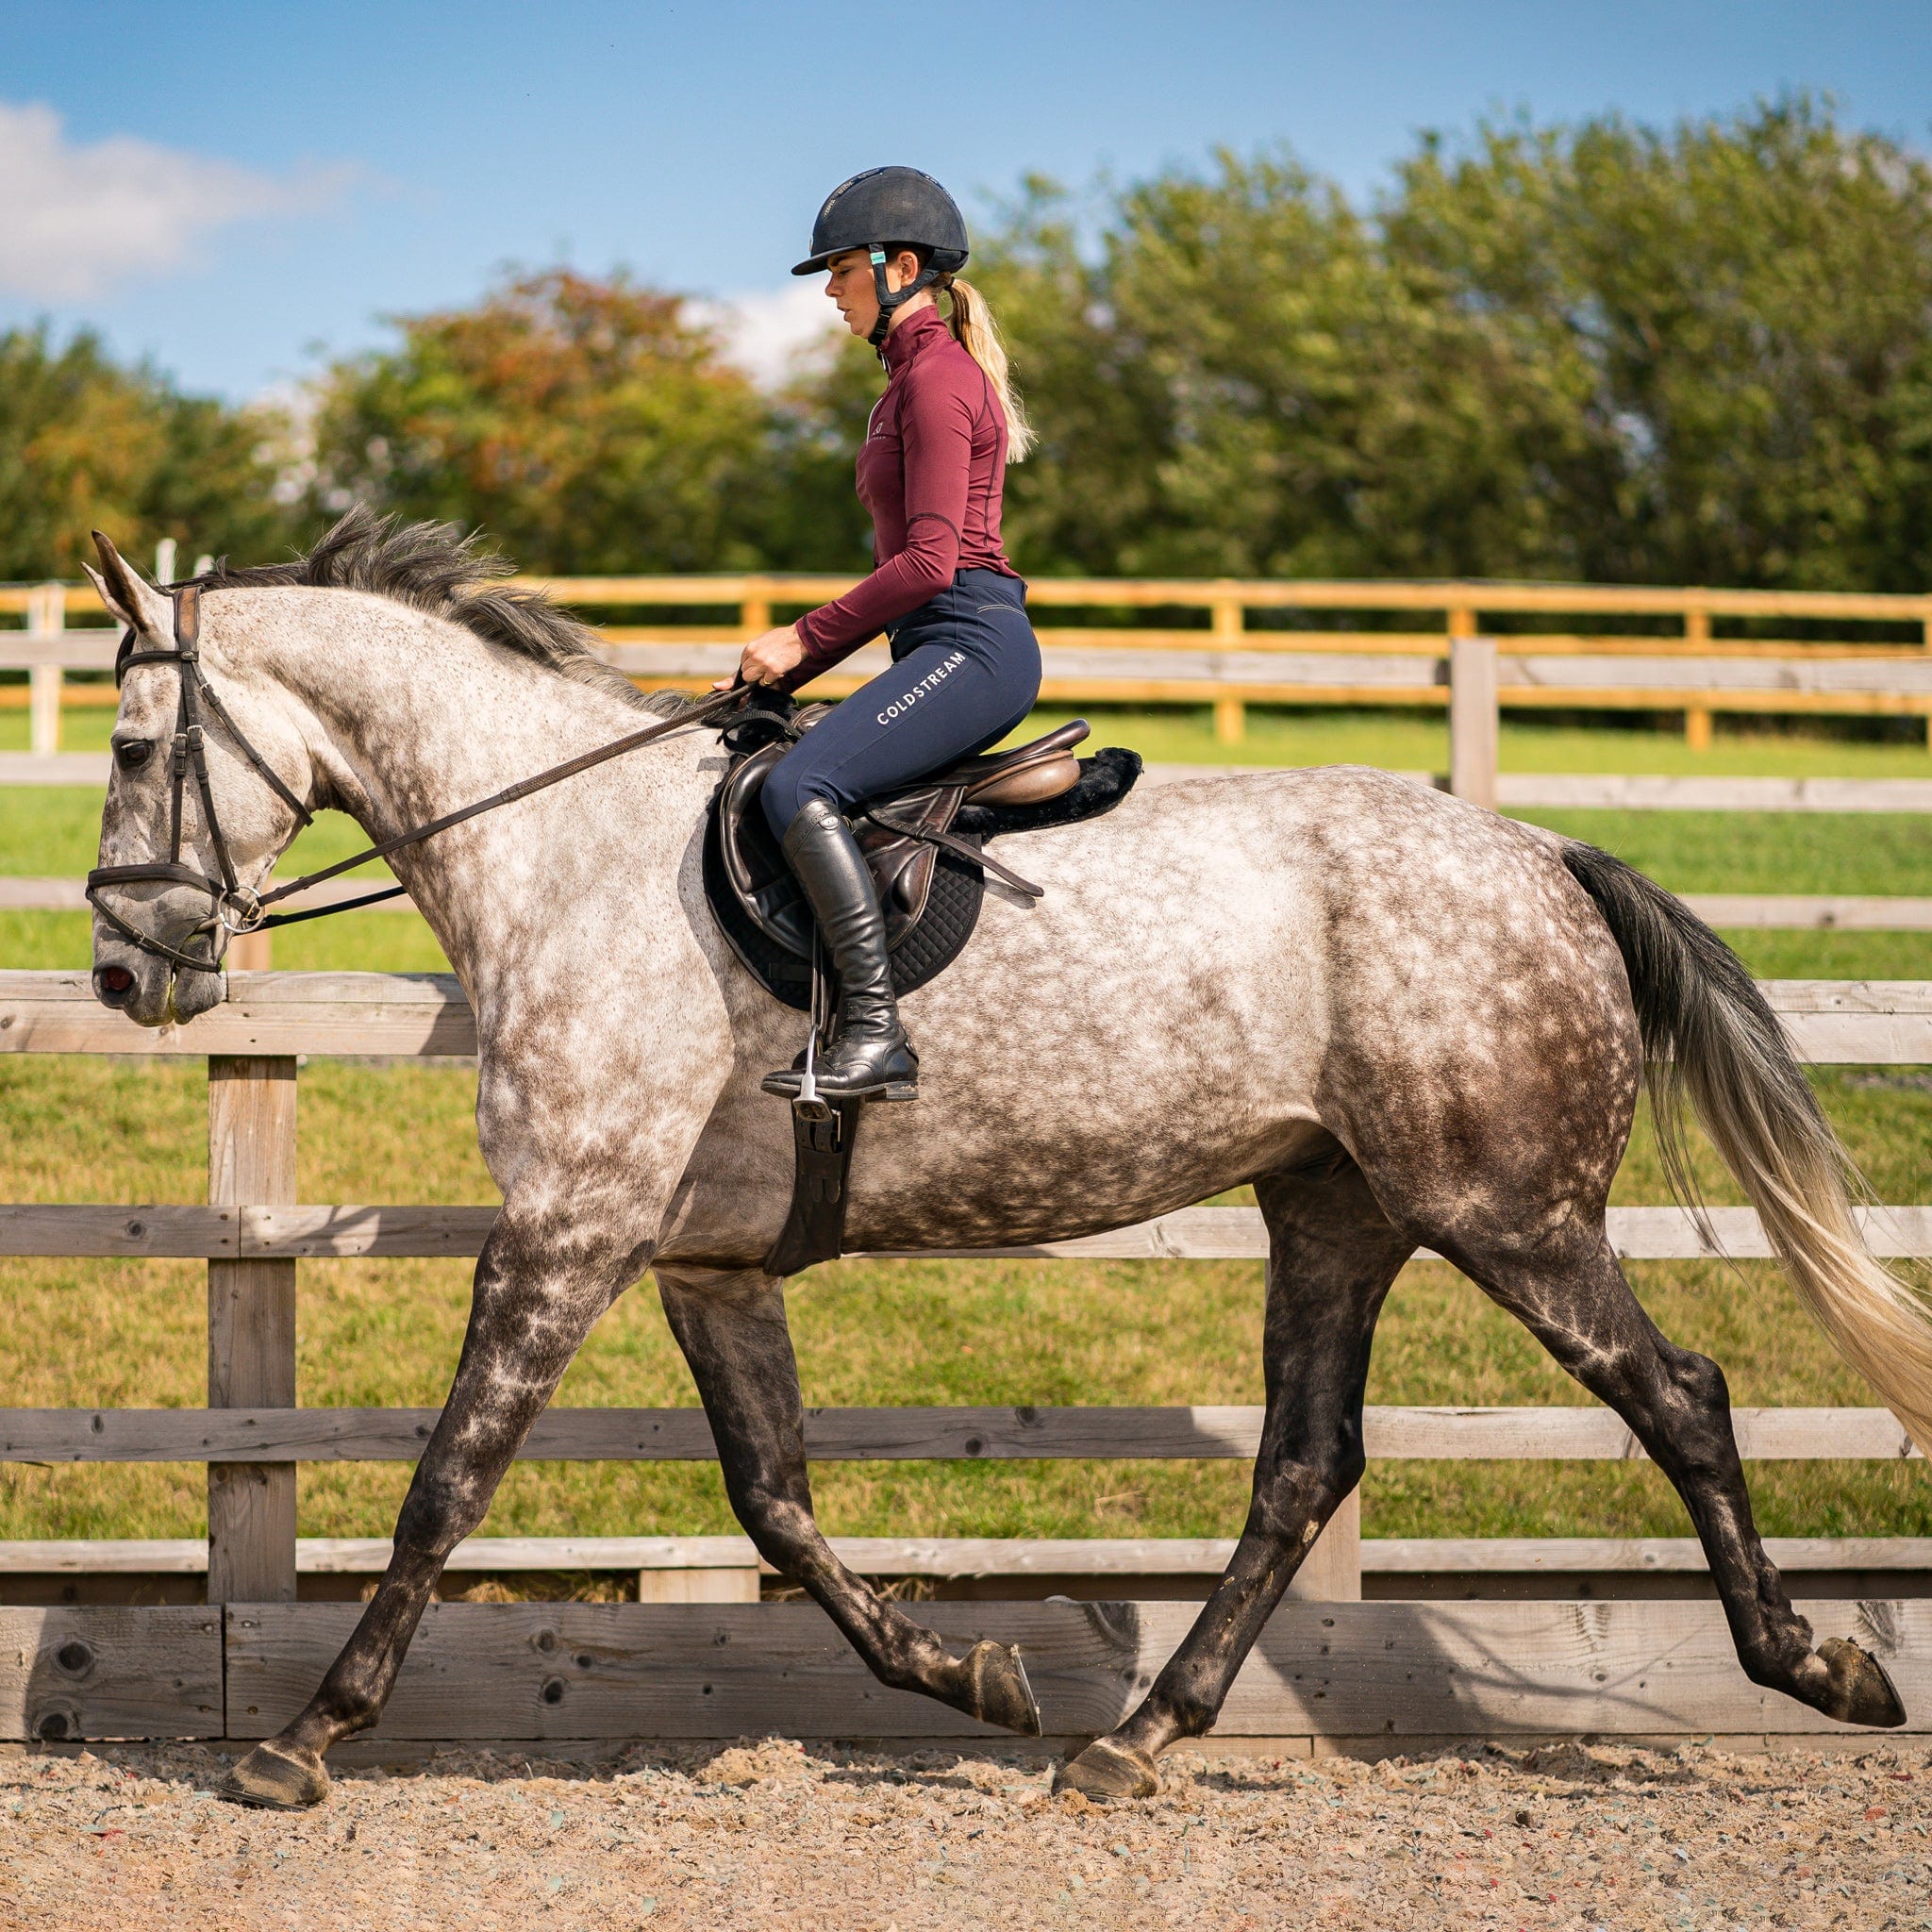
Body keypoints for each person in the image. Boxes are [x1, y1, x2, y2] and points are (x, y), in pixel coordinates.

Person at [724, 167, 1042, 1104]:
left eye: (838, 270)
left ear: (899, 266)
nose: (828, 290)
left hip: (971, 645)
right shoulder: (904, 383)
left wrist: (800, 639)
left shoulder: (938, 381)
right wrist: (787, 669)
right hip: (931, 642)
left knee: (801, 781)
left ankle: (872, 1032)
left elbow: (930, 563)